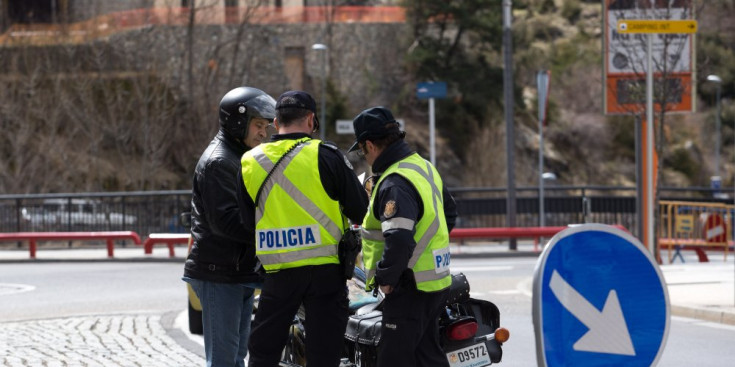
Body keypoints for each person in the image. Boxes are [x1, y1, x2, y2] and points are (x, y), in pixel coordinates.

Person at [238, 90, 368, 367]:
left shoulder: (250, 161)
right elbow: (360, 210)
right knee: (325, 353)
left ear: (275, 120)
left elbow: (247, 222)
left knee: (263, 351)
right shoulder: (327, 155)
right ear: (311, 119)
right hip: (326, 274)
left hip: (279, 274)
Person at [347, 106, 458, 367]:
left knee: (393, 359)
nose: (366, 157)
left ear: (370, 145)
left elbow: (399, 239)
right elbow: (448, 214)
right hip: (433, 282)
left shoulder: (393, 182)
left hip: (408, 287)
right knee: (427, 357)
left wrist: (387, 279)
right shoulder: (423, 167)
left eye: (362, 151)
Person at [183, 86, 276, 367]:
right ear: (237, 122)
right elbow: (226, 222)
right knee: (224, 360)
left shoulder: (239, 158)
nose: (264, 133)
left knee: (236, 356)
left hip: (236, 270)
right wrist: (272, 235)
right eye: (258, 125)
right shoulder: (219, 162)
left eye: (266, 126)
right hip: (219, 272)